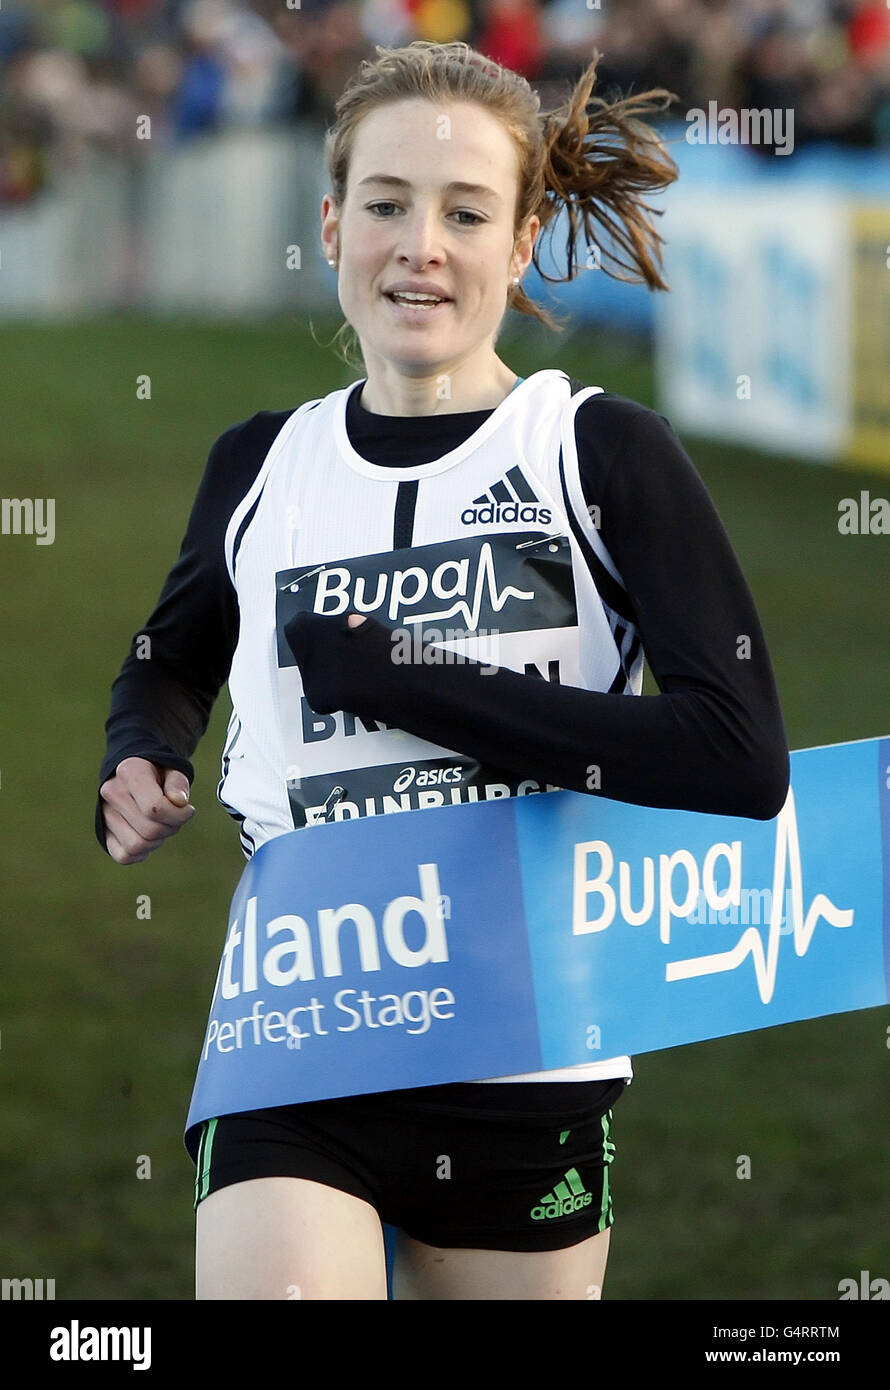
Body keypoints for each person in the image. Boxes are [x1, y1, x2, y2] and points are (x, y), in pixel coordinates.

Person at [95, 40, 790, 1300]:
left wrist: (407, 676)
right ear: (331, 222)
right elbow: (169, 656)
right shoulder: (259, 464)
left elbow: (736, 758)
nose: (420, 243)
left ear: (519, 242)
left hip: (525, 1049)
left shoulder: (601, 453)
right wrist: (137, 750)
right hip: (297, 1027)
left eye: (464, 212)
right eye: (385, 203)